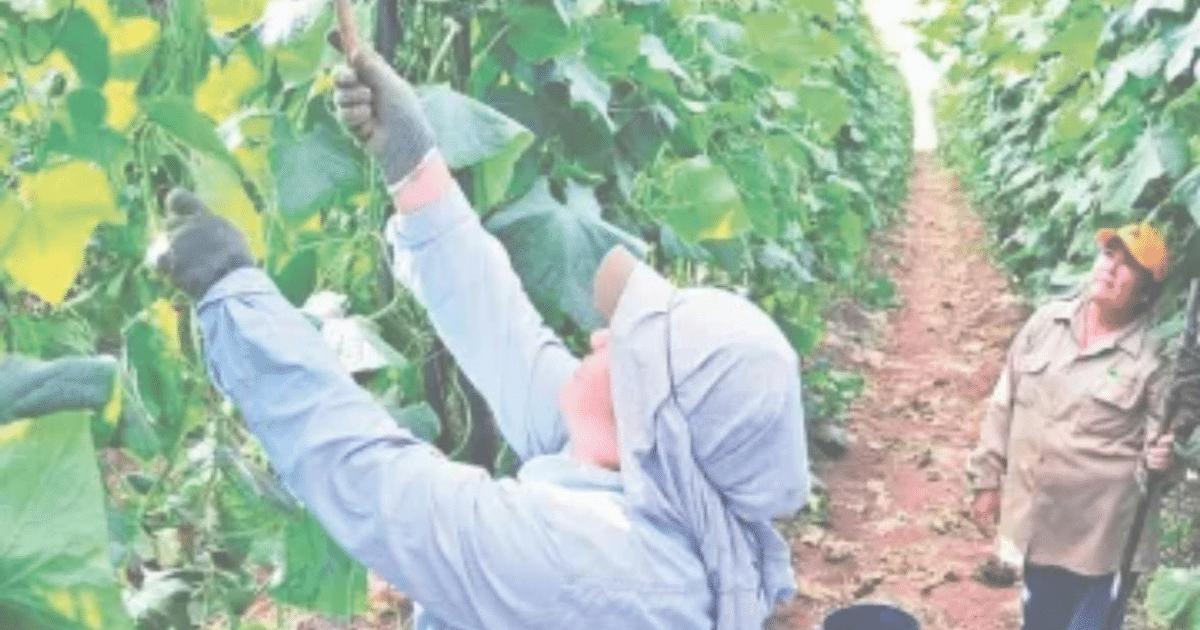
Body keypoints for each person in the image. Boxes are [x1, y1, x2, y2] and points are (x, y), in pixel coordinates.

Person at [152, 47, 810, 630]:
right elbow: (504, 332)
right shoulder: (655, 488)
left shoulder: (596, 568)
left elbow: (381, 488)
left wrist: (230, 290)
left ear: (646, 428)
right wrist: (411, 161)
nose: (600, 337)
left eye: (628, 350)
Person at [967, 224, 1178, 630]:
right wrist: (987, 478)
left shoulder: (1153, 358)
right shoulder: (1048, 323)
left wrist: (1163, 460)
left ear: (1146, 292)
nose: (1110, 268)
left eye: (1128, 266)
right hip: (1039, 524)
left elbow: (1160, 457)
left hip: (1103, 540)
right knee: (1042, 622)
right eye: (1109, 255)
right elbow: (1003, 401)